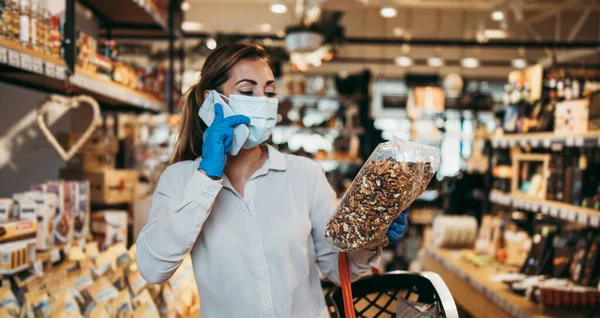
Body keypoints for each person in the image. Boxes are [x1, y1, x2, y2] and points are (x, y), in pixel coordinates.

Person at [136, 43, 408, 318]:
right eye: (247, 91)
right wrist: (207, 177)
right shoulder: (181, 179)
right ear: (212, 101)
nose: (263, 102)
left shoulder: (305, 175)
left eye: (269, 92)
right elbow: (153, 267)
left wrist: (371, 238)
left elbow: (339, 268)